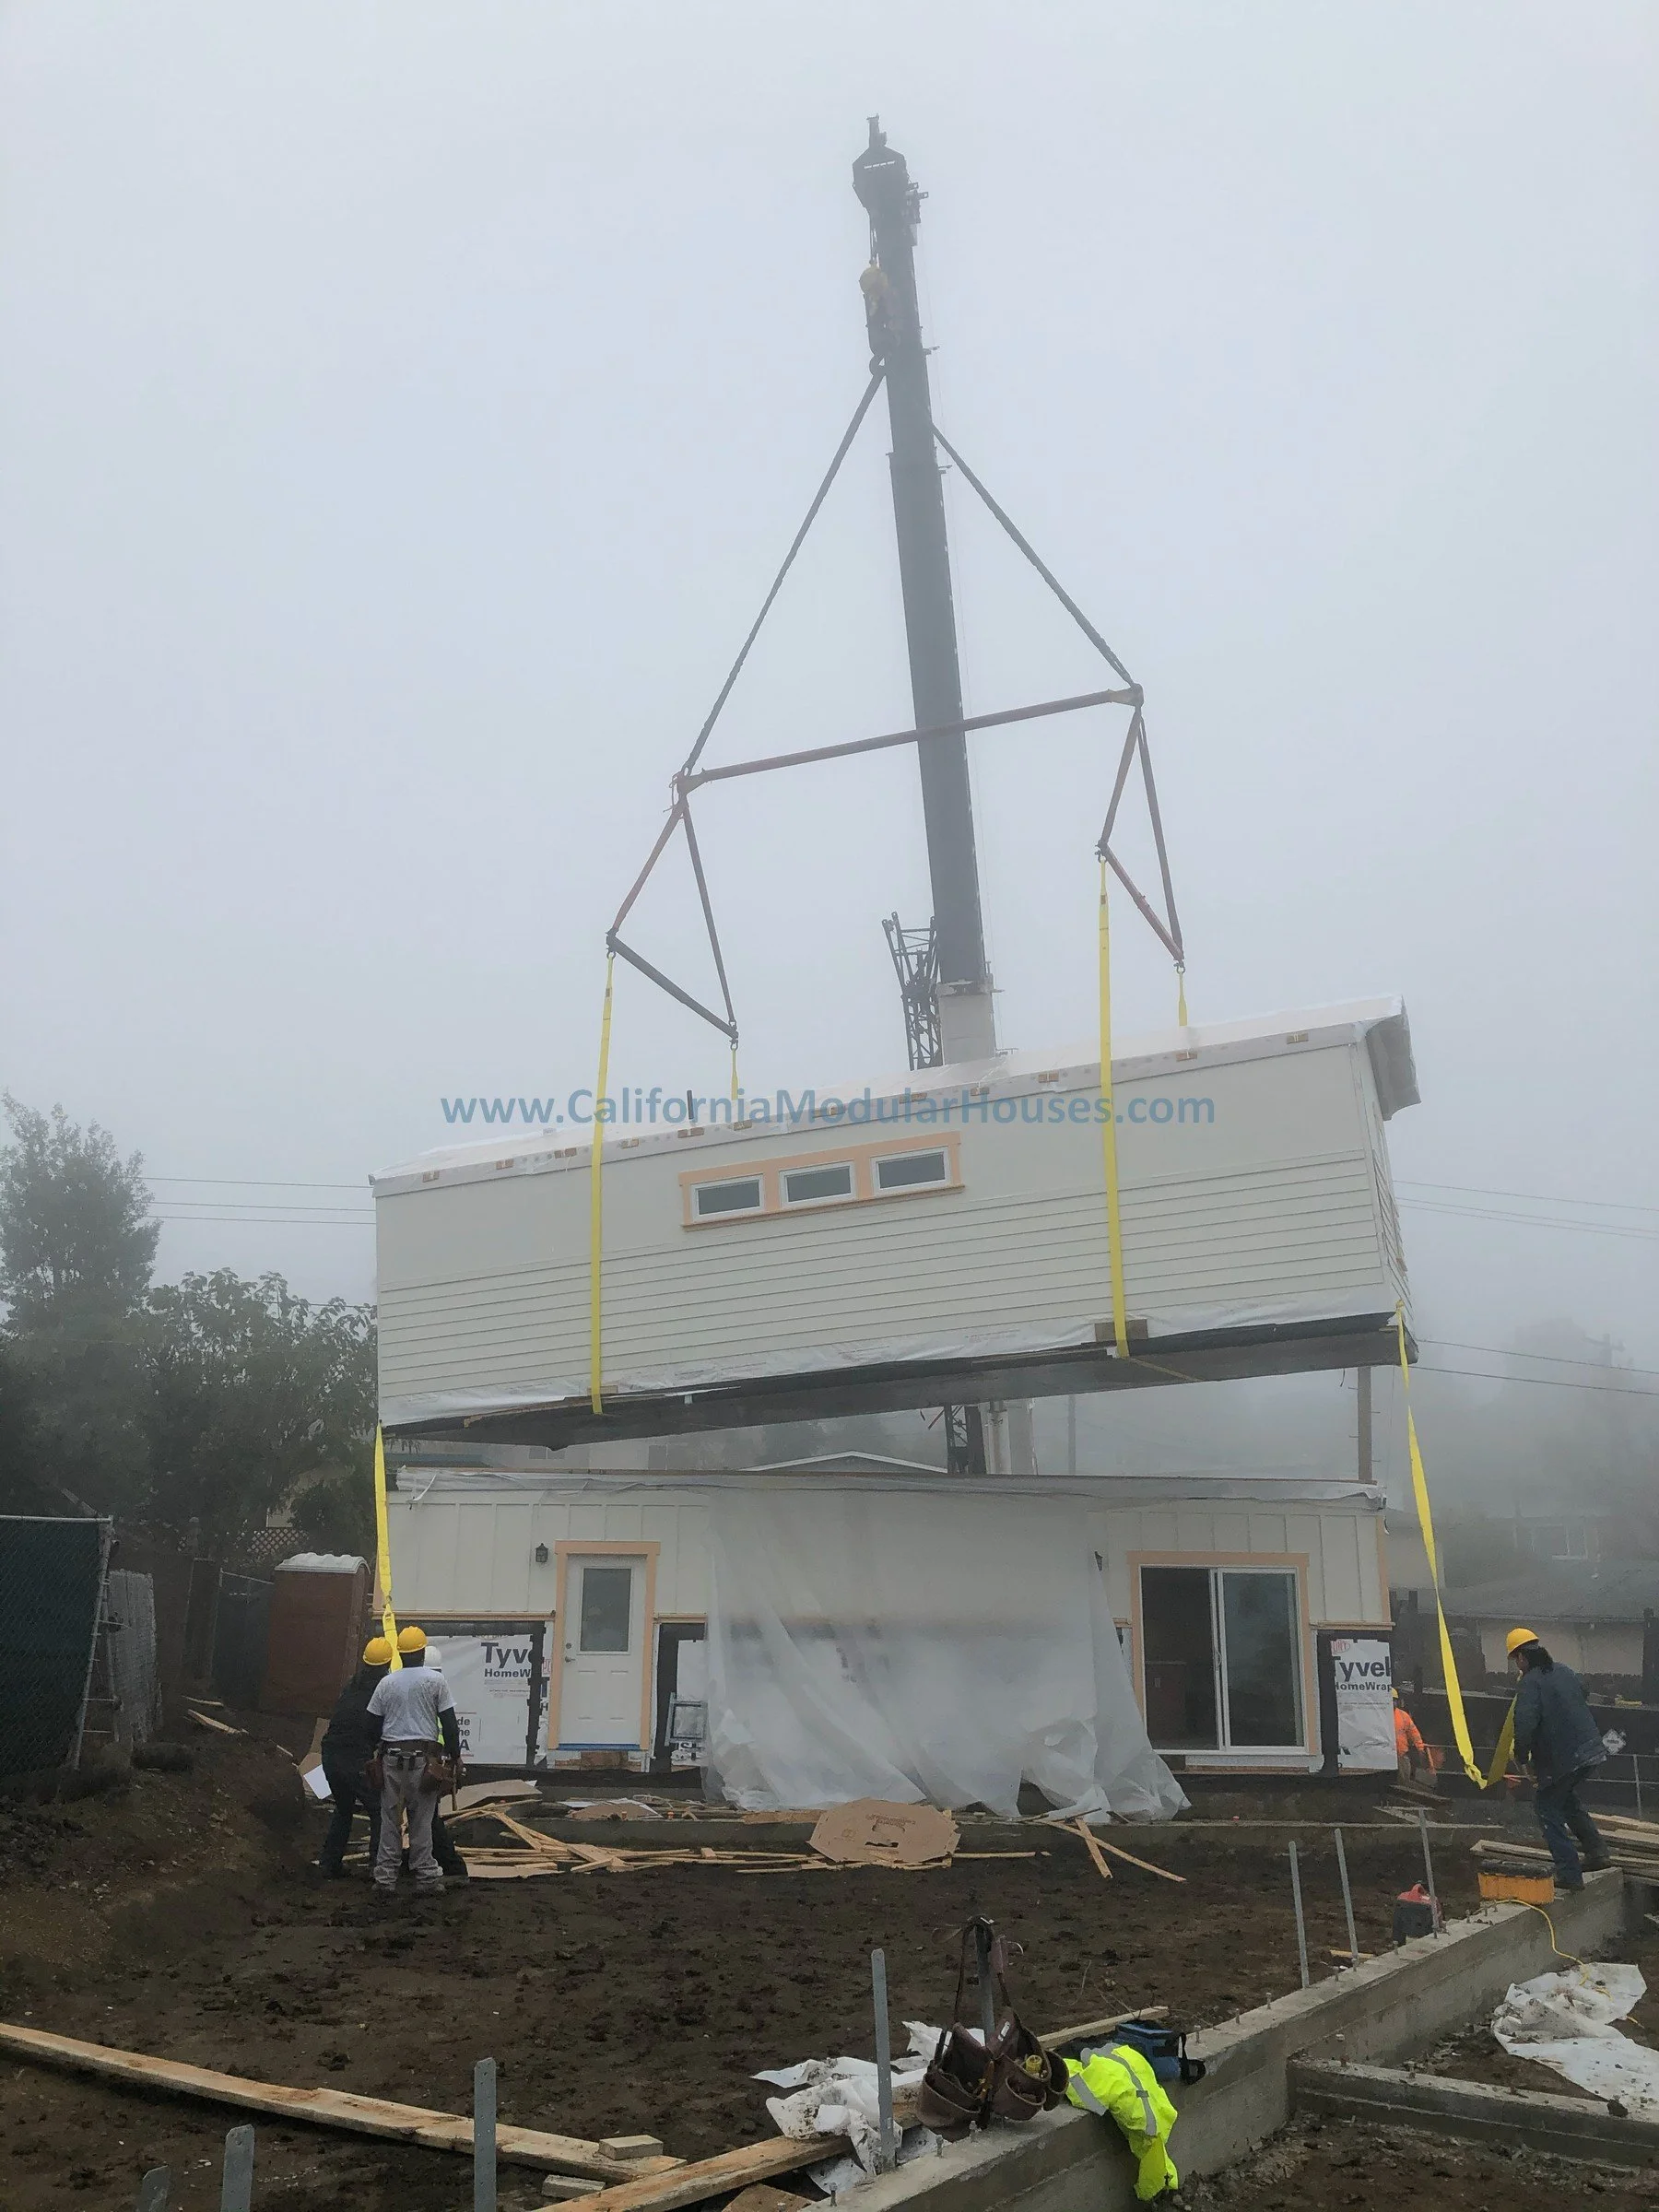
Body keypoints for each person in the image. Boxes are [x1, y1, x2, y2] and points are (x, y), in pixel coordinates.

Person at [1508, 1625, 1613, 1893]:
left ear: (1521, 1658)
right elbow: (1583, 1692)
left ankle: (1569, 1874)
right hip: (1589, 1750)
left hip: (1562, 1758)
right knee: (1566, 1800)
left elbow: (1525, 1722)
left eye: (1514, 1661)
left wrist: (1521, 1754)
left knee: (1546, 1808)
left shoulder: (1530, 1683)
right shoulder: (1564, 1671)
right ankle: (1597, 1853)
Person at [365, 1623, 463, 1896]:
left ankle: (385, 1878)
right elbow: (449, 1723)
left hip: (391, 1759)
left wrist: (376, 1751)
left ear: (401, 1654)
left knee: (389, 1820)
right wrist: (454, 1757)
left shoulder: (387, 1682)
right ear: (421, 1652)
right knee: (421, 1820)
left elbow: (371, 1724)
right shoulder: (435, 1681)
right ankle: (426, 1879)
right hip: (423, 1761)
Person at [318, 1635, 394, 1876]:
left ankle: (329, 1864)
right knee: (379, 1809)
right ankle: (378, 1866)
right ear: (386, 1664)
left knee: (343, 1808)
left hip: (330, 1755)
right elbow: (378, 1728)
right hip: (355, 1758)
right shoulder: (382, 1690)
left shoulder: (352, 1685)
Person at [1393, 1688, 1432, 1784]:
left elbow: (1414, 1734)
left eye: (1394, 1700)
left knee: (1403, 1781)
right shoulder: (1379, 1716)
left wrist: (1420, 1748)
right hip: (1384, 1756)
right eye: (1390, 1700)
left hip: (1400, 1755)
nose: (1393, 1702)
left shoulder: (1403, 1716)